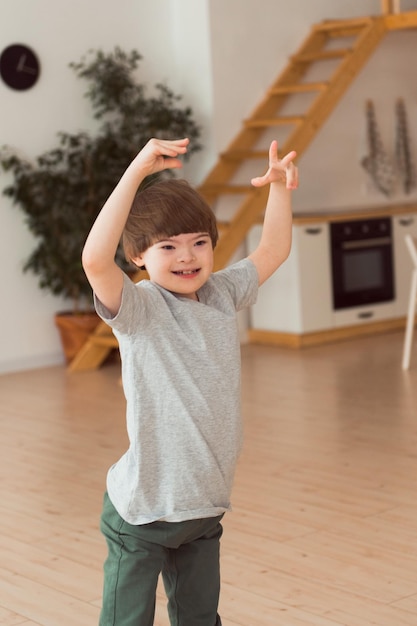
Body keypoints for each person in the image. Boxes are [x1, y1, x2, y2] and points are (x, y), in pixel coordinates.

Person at [82, 137, 298, 626]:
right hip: (143, 514)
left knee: (201, 619)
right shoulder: (141, 309)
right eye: (168, 247)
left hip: (203, 510)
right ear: (138, 256)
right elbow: (96, 261)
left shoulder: (222, 292)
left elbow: (273, 249)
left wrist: (280, 189)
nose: (188, 257)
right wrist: (137, 170)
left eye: (199, 242)